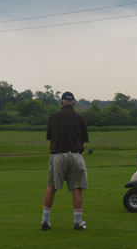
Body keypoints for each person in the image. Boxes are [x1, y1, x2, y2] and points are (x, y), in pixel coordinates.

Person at [41, 91, 89, 231]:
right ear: (73, 102)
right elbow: (83, 140)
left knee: (51, 187)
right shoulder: (80, 118)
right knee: (77, 188)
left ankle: (45, 220)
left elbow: (50, 137)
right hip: (75, 155)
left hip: (57, 156)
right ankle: (78, 223)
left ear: (61, 102)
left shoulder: (53, 117)